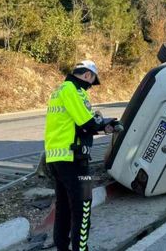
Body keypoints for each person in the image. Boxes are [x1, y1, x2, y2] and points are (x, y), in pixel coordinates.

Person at [45, 60, 115, 251]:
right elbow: (86, 122)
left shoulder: (58, 91)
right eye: (92, 82)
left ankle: (62, 248)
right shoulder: (73, 90)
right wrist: (105, 124)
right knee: (83, 207)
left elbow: (78, 126)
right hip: (73, 158)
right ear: (87, 75)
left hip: (57, 158)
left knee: (64, 208)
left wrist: (102, 126)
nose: (90, 87)